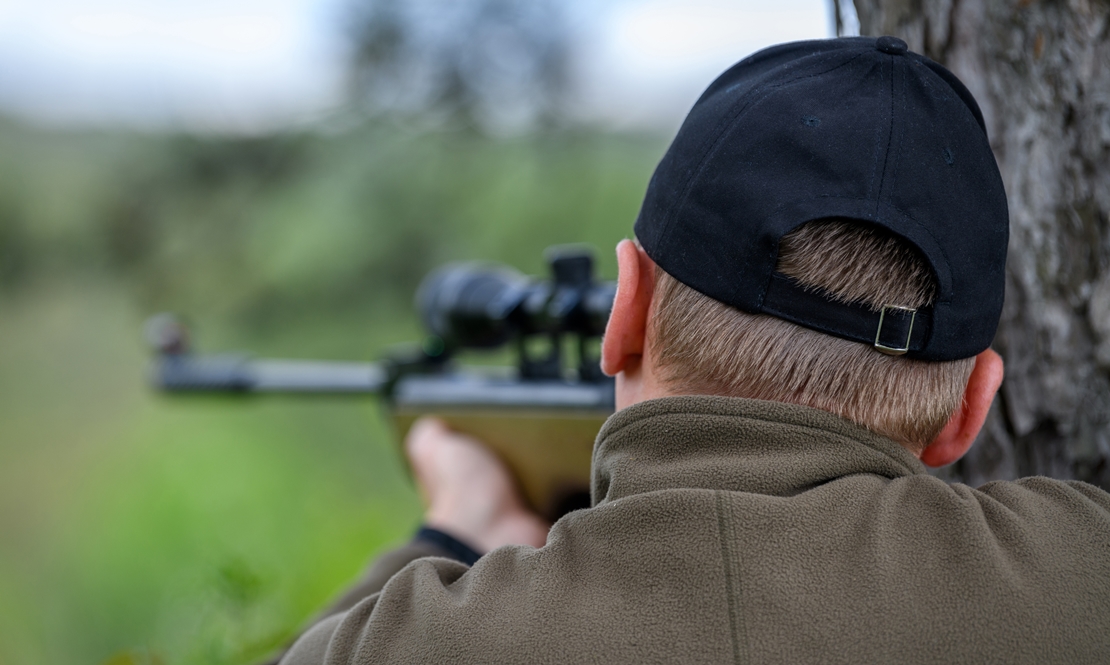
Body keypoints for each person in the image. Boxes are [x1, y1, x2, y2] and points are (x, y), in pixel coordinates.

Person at [279, 36, 1110, 664]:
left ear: (624, 312)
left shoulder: (417, 643)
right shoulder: (1081, 578)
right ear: (971, 406)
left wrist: (454, 532)